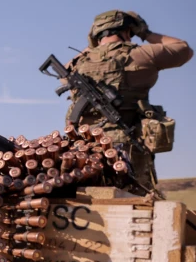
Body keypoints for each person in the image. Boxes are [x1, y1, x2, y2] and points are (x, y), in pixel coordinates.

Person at [64, 10, 191, 191]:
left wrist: (93, 46)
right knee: (134, 201)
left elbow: (65, 77)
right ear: (128, 31)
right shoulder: (142, 55)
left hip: (84, 146)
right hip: (128, 146)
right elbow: (184, 49)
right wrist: (145, 33)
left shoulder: (77, 63)